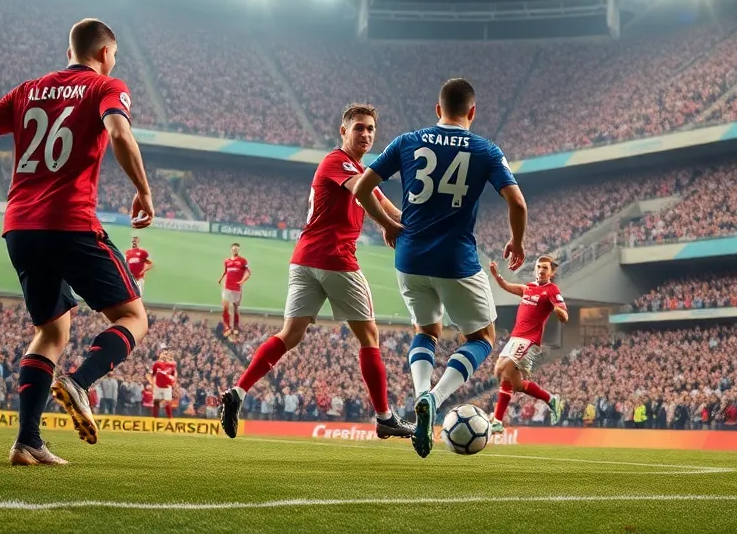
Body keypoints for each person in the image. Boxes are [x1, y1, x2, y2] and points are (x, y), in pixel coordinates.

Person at [0, 17, 153, 466]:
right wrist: (143, 189)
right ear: (104, 54)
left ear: (69, 52)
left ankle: (26, 442)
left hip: (20, 227)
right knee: (132, 316)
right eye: (114, 56)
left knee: (51, 330)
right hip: (69, 221)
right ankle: (81, 383)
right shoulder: (107, 87)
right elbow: (120, 134)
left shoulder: (28, 90)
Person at [353, 79, 527, 458]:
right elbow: (517, 203)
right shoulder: (485, 149)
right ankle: (435, 397)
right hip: (456, 260)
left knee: (426, 330)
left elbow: (361, 189)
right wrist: (517, 241)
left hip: (410, 258)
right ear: (472, 112)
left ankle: (419, 399)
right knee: (482, 337)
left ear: (437, 109)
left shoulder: (406, 141)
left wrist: (386, 224)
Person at [220, 104, 414, 441]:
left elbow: (386, 204)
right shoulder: (337, 162)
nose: (365, 134)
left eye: (370, 129)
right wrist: (389, 228)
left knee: (290, 335)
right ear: (343, 131)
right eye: (358, 128)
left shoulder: (359, 168)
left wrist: (412, 223)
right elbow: (366, 196)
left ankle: (238, 391)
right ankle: (384, 417)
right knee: (369, 337)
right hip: (335, 260)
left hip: (304, 261)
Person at [487, 256, 567, 433]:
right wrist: (496, 275)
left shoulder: (551, 290)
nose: (541, 270)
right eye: (539, 266)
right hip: (515, 338)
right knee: (514, 382)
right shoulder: (528, 288)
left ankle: (498, 419)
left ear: (552, 272)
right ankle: (550, 400)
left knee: (503, 368)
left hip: (530, 340)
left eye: (545, 267)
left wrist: (559, 312)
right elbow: (507, 286)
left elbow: (564, 314)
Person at [219, 243, 250, 336]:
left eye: (237, 249)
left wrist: (242, 281)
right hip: (227, 287)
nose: (235, 250)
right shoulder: (227, 261)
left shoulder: (243, 261)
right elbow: (226, 272)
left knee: (235, 307)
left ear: (238, 250)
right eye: (234, 249)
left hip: (236, 288)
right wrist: (221, 279)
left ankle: (236, 326)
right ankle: (227, 327)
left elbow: (248, 272)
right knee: (225, 306)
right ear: (231, 249)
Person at [150, 349, 178, 419]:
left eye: (166, 354)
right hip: (158, 386)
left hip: (167, 387)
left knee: (168, 403)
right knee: (156, 402)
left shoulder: (172, 365)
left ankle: (170, 418)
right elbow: (152, 374)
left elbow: (174, 375)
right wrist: (152, 383)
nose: (164, 355)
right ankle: (154, 418)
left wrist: (174, 383)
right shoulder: (157, 364)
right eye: (163, 354)